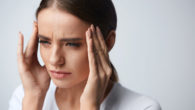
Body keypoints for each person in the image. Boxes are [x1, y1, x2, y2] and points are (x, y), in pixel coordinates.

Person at [9, 0, 161, 110]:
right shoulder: (24, 97)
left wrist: (90, 106)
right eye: (45, 42)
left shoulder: (144, 107)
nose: (55, 59)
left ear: (108, 42)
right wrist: (34, 98)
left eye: (72, 44)